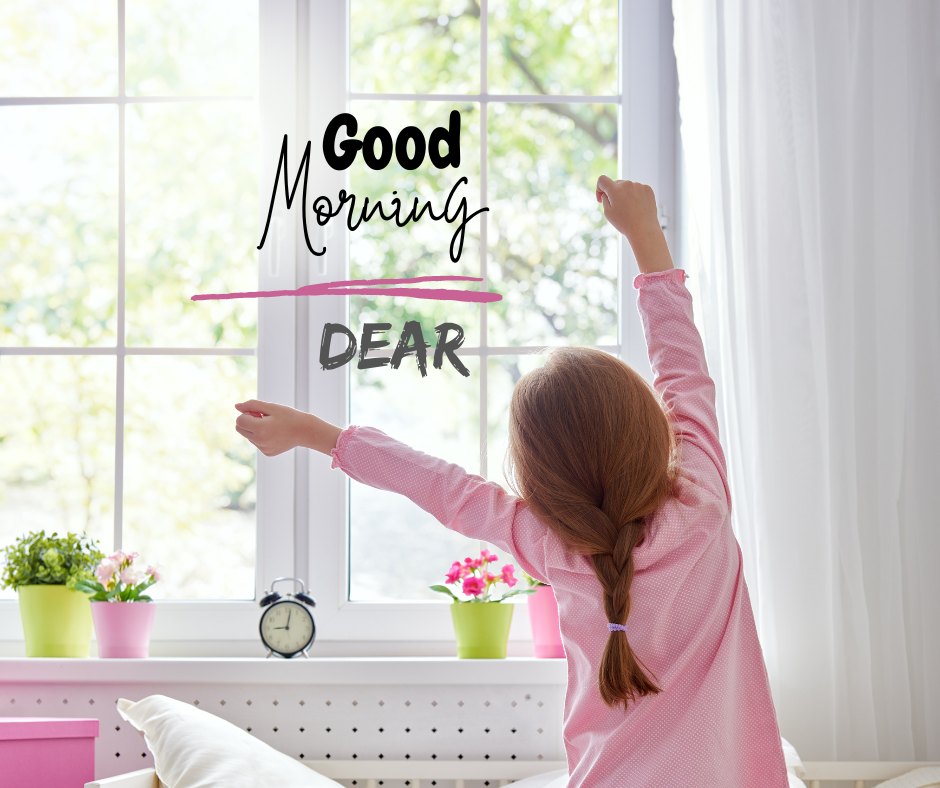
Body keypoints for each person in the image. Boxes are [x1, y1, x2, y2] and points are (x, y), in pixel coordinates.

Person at [233, 177, 790, 787]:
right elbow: (683, 368)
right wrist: (645, 236)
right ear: (646, 427)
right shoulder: (702, 502)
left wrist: (316, 432)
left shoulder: (550, 543)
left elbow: (440, 486)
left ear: (541, 476)